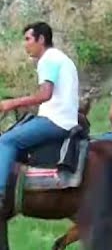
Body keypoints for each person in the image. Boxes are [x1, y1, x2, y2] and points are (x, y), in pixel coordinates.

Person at [0, 22, 80, 210]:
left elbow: (45, 94)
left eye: (28, 39)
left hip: (54, 121)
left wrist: (11, 103)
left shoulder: (47, 60)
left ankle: (0, 194)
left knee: (6, 141)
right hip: (64, 119)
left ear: (41, 39)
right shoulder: (61, 58)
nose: (25, 44)